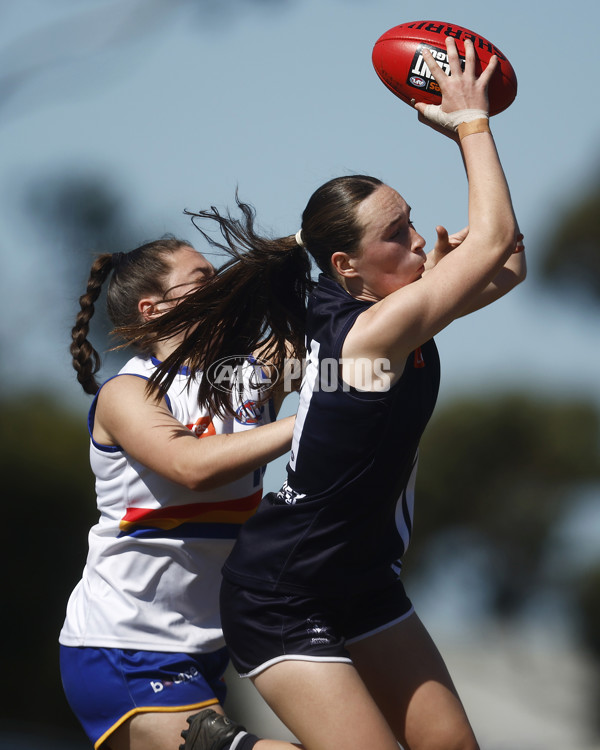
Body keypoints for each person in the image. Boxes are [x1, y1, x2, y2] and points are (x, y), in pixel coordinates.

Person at [147, 39, 526, 750]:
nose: (418, 240)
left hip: (363, 579)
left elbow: (508, 261)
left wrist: (456, 256)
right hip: (283, 592)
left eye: (412, 222)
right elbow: (497, 240)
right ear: (348, 269)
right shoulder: (371, 334)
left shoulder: (392, 313)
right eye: (398, 234)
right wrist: (472, 123)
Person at [59, 236, 300, 750]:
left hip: (204, 648)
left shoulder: (249, 376)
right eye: (204, 281)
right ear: (153, 310)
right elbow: (189, 465)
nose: (222, 287)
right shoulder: (128, 392)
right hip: (122, 643)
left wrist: (418, 274)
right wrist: (311, 421)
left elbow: (353, 340)